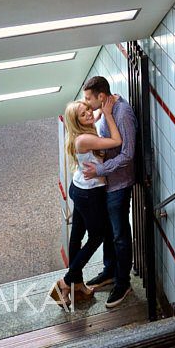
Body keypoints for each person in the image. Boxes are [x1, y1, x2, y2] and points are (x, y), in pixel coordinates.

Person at [51, 95, 124, 311]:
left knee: (76, 237)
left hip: (80, 188)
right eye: (83, 114)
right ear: (77, 122)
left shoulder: (82, 132)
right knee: (98, 236)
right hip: (89, 193)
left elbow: (94, 113)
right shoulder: (84, 140)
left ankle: (77, 285)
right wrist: (109, 114)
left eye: (88, 109)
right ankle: (66, 281)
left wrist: (101, 109)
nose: (89, 114)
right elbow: (117, 142)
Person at [80, 76, 138, 310]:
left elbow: (128, 154)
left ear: (101, 96)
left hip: (119, 185)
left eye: (88, 99)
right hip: (107, 184)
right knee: (109, 233)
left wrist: (100, 169)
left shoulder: (121, 113)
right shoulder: (106, 109)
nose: (86, 103)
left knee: (120, 236)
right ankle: (110, 272)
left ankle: (123, 283)